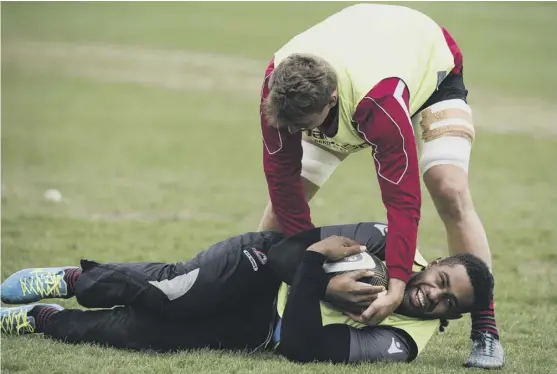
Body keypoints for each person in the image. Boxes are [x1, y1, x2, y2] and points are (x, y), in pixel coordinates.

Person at [257, 4, 502, 368]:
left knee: (448, 188)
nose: (295, 134)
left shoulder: (380, 104)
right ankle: (254, 311)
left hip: (427, 72)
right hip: (349, 78)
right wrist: (310, 271)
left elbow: (402, 201)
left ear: (332, 100)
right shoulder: (278, 90)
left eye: (305, 126)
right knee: (280, 210)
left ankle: (486, 330)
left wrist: (399, 283)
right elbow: (283, 185)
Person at [1, 223, 493, 365]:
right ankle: (72, 281)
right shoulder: (385, 240)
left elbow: (303, 348)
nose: (434, 296)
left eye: (452, 304)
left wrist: (315, 275)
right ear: (439, 263)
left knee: (135, 333)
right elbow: (284, 252)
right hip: (255, 268)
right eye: (442, 281)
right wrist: (319, 277)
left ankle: (42, 319)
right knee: (171, 293)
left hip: (259, 329)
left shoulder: (403, 343)